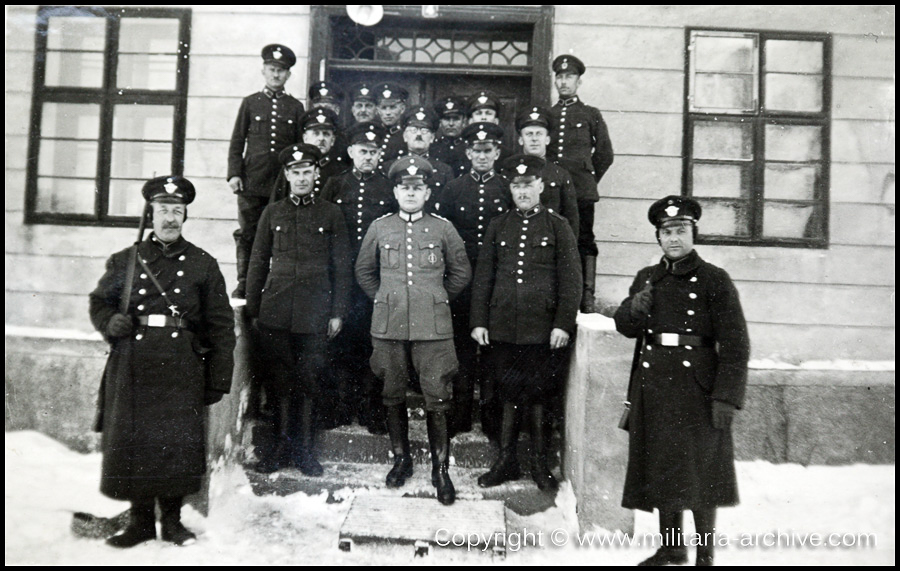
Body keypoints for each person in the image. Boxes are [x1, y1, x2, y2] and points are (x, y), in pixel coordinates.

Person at [88, 175, 235, 548]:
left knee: (175, 443)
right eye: (163, 210)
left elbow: (220, 326)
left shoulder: (203, 264)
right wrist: (110, 322)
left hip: (180, 367)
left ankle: (172, 522)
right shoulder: (126, 260)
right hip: (134, 362)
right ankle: (139, 522)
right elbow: (99, 302)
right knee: (134, 441)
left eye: (177, 210)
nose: (170, 218)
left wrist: (219, 378)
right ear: (150, 213)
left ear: (185, 215)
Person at [613, 196, 750, 567]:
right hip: (654, 386)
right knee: (662, 467)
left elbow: (736, 343)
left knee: (701, 472)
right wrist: (633, 308)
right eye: (667, 232)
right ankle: (671, 548)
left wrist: (726, 397)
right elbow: (626, 327)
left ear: (693, 233)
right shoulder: (647, 277)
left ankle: (705, 555)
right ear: (658, 237)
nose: (674, 238)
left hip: (698, 388)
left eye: (681, 230)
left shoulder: (714, 279)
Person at [355, 156, 472, 506]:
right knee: (392, 392)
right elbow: (363, 271)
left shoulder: (442, 228)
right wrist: (385, 299)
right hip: (389, 325)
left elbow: (461, 271)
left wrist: (436, 299)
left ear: (427, 192)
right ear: (394, 191)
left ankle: (441, 470)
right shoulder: (379, 227)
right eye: (404, 188)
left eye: (417, 188)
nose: (410, 193)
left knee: (437, 395)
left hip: (432, 328)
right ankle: (401, 460)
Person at [469, 155, 582, 492]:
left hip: (542, 331)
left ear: (541, 186)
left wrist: (562, 324)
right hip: (503, 327)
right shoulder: (498, 225)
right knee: (505, 394)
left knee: (538, 397)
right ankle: (506, 461)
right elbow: (484, 277)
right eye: (516, 185)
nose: (522, 191)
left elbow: (571, 281)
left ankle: (538, 463)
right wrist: (479, 321)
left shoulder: (557, 225)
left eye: (528, 185)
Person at [245, 144, 352, 476]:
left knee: (308, 383)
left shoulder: (330, 213)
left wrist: (337, 311)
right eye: (296, 172)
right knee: (279, 384)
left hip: (315, 311)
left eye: (308, 171)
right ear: (287, 176)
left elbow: (342, 267)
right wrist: (253, 308)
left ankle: (305, 452)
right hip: (276, 311)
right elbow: (258, 261)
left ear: (317, 174)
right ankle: (278, 451)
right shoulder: (272, 213)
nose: (302, 178)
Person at [319, 122, 396, 433]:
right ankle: (339, 407)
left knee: (373, 344)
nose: (368, 157)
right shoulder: (335, 185)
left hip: (374, 279)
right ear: (351, 152)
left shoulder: (387, 188)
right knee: (339, 344)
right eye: (363, 151)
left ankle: (371, 410)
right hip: (340, 279)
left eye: (374, 152)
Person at [441, 121, 512, 439]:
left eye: (488, 150)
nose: (482, 156)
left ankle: (492, 416)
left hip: (498, 280)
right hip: (463, 281)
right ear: (468, 152)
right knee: (463, 349)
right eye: (476, 150)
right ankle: (461, 414)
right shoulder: (454, 189)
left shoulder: (508, 188)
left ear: (497, 152)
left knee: (495, 348)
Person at [227, 44, 305, 299]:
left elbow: (298, 148)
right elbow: (238, 141)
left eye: (281, 71)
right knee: (248, 234)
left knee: (279, 234)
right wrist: (234, 174)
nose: (276, 75)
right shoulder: (250, 103)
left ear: (288, 75)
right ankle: (244, 284)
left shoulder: (295, 107)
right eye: (272, 69)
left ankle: (275, 284)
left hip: (280, 184)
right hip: (251, 181)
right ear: (263, 70)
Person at [547, 54, 614, 313]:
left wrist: (588, 179)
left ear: (579, 81)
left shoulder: (590, 114)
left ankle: (586, 296)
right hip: (553, 192)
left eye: (569, 77)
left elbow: (605, 154)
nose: (564, 82)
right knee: (553, 239)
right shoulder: (547, 115)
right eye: (560, 77)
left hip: (582, 192)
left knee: (584, 239)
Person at [516, 105, 579, 237]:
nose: (534, 139)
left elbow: (571, 219)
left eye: (539, 134)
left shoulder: (560, 175)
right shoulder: (509, 173)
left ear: (547, 139)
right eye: (529, 134)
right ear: (521, 140)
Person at [270, 107, 348, 202]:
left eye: (326, 134)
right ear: (305, 138)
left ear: (332, 140)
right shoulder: (293, 165)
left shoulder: (341, 169)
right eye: (316, 133)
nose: (321, 138)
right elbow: (277, 204)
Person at [390, 105, 454, 211]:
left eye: (424, 131)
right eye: (414, 130)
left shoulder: (445, 171)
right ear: (405, 136)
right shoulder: (391, 167)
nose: (419, 134)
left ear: (432, 137)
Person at [431, 95, 469, 178]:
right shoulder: (432, 148)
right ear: (440, 122)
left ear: (464, 121)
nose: (451, 124)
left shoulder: (469, 148)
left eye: (456, 119)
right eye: (446, 119)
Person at [374, 82, 409, 168]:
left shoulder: (407, 136)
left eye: (392, 107)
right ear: (378, 110)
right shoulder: (373, 134)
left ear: (402, 109)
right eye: (383, 108)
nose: (388, 113)